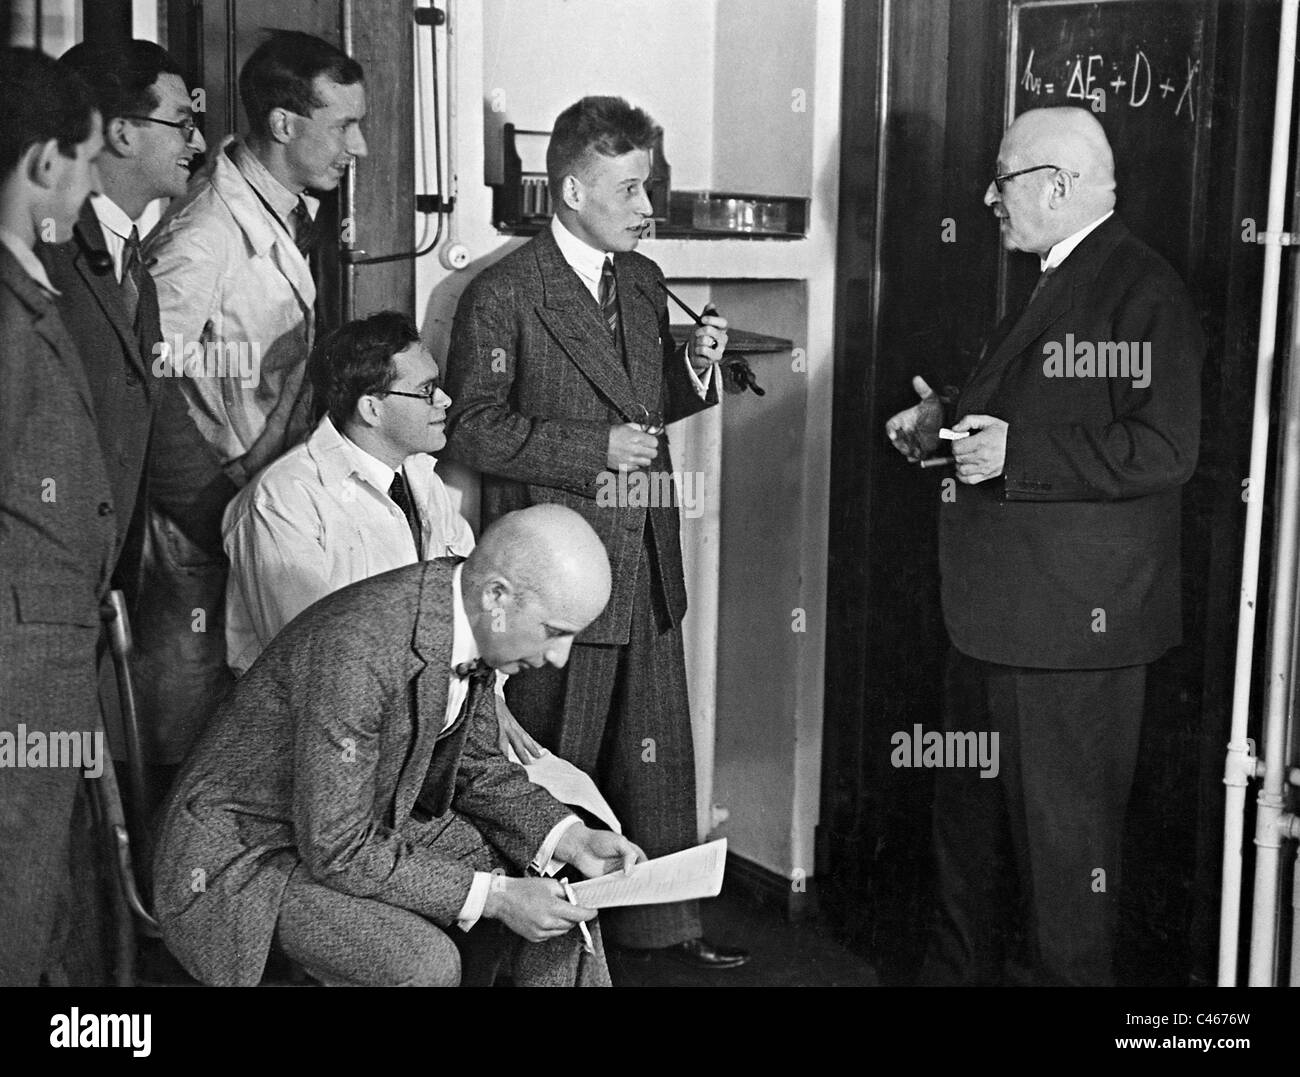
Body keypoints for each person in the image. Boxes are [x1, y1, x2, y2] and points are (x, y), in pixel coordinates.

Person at [886, 107, 1203, 986]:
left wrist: (1015, 454)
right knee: (968, 863)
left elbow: (1168, 448)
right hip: (995, 625)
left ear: (1057, 186)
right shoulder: (1054, 276)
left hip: (1069, 641)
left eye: (1004, 179)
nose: (989, 197)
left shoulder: (1143, 289)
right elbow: (1041, 410)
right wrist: (942, 424)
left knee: (1068, 885)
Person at [443, 96, 746, 969]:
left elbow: (644, 405)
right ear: (571, 190)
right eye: (631, 188)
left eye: (648, 184)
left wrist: (694, 369)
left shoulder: (642, 280)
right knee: (551, 766)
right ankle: (535, 945)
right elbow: (470, 425)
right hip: (558, 570)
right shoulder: (505, 292)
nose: (649, 206)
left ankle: (663, 933)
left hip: (645, 551)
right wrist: (589, 449)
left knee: (656, 761)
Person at [153, 505, 640, 987]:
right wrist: (497, 896)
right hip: (251, 851)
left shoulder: (469, 613)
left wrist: (573, 839)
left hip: (363, 818)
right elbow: (337, 847)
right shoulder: (360, 648)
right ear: (497, 596)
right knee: (424, 966)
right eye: (555, 633)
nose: (559, 657)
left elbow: (477, 766)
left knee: (565, 903)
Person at [134, 30, 367, 769]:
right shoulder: (204, 234)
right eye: (344, 127)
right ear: (283, 125)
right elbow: (140, 382)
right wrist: (211, 508)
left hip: (255, 514)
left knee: (248, 720)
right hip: (201, 527)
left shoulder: (287, 208)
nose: (357, 147)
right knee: (188, 733)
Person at [0, 47, 109, 985]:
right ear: (44, 163)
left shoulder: (25, 289)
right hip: (15, 672)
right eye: (85, 163)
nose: (85, 191)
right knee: (14, 902)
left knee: (42, 901)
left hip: (41, 662)